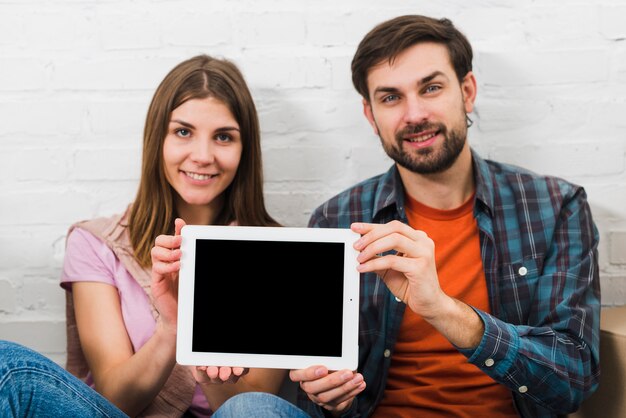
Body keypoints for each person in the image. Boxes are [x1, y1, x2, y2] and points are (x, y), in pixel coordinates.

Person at [215, 14, 602, 418]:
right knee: (246, 409)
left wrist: (442, 308)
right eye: (390, 97)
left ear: (467, 92)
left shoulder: (553, 206)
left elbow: (573, 380)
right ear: (370, 115)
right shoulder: (337, 218)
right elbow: (324, 387)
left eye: (431, 88)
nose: (414, 114)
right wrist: (330, 396)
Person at [0, 54, 287, 418]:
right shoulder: (96, 244)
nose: (202, 155)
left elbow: (255, 404)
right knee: (5, 363)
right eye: (183, 132)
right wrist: (171, 329)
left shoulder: (278, 252)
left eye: (224, 137)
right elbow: (114, 398)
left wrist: (204, 345)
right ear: (158, 140)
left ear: (245, 150)